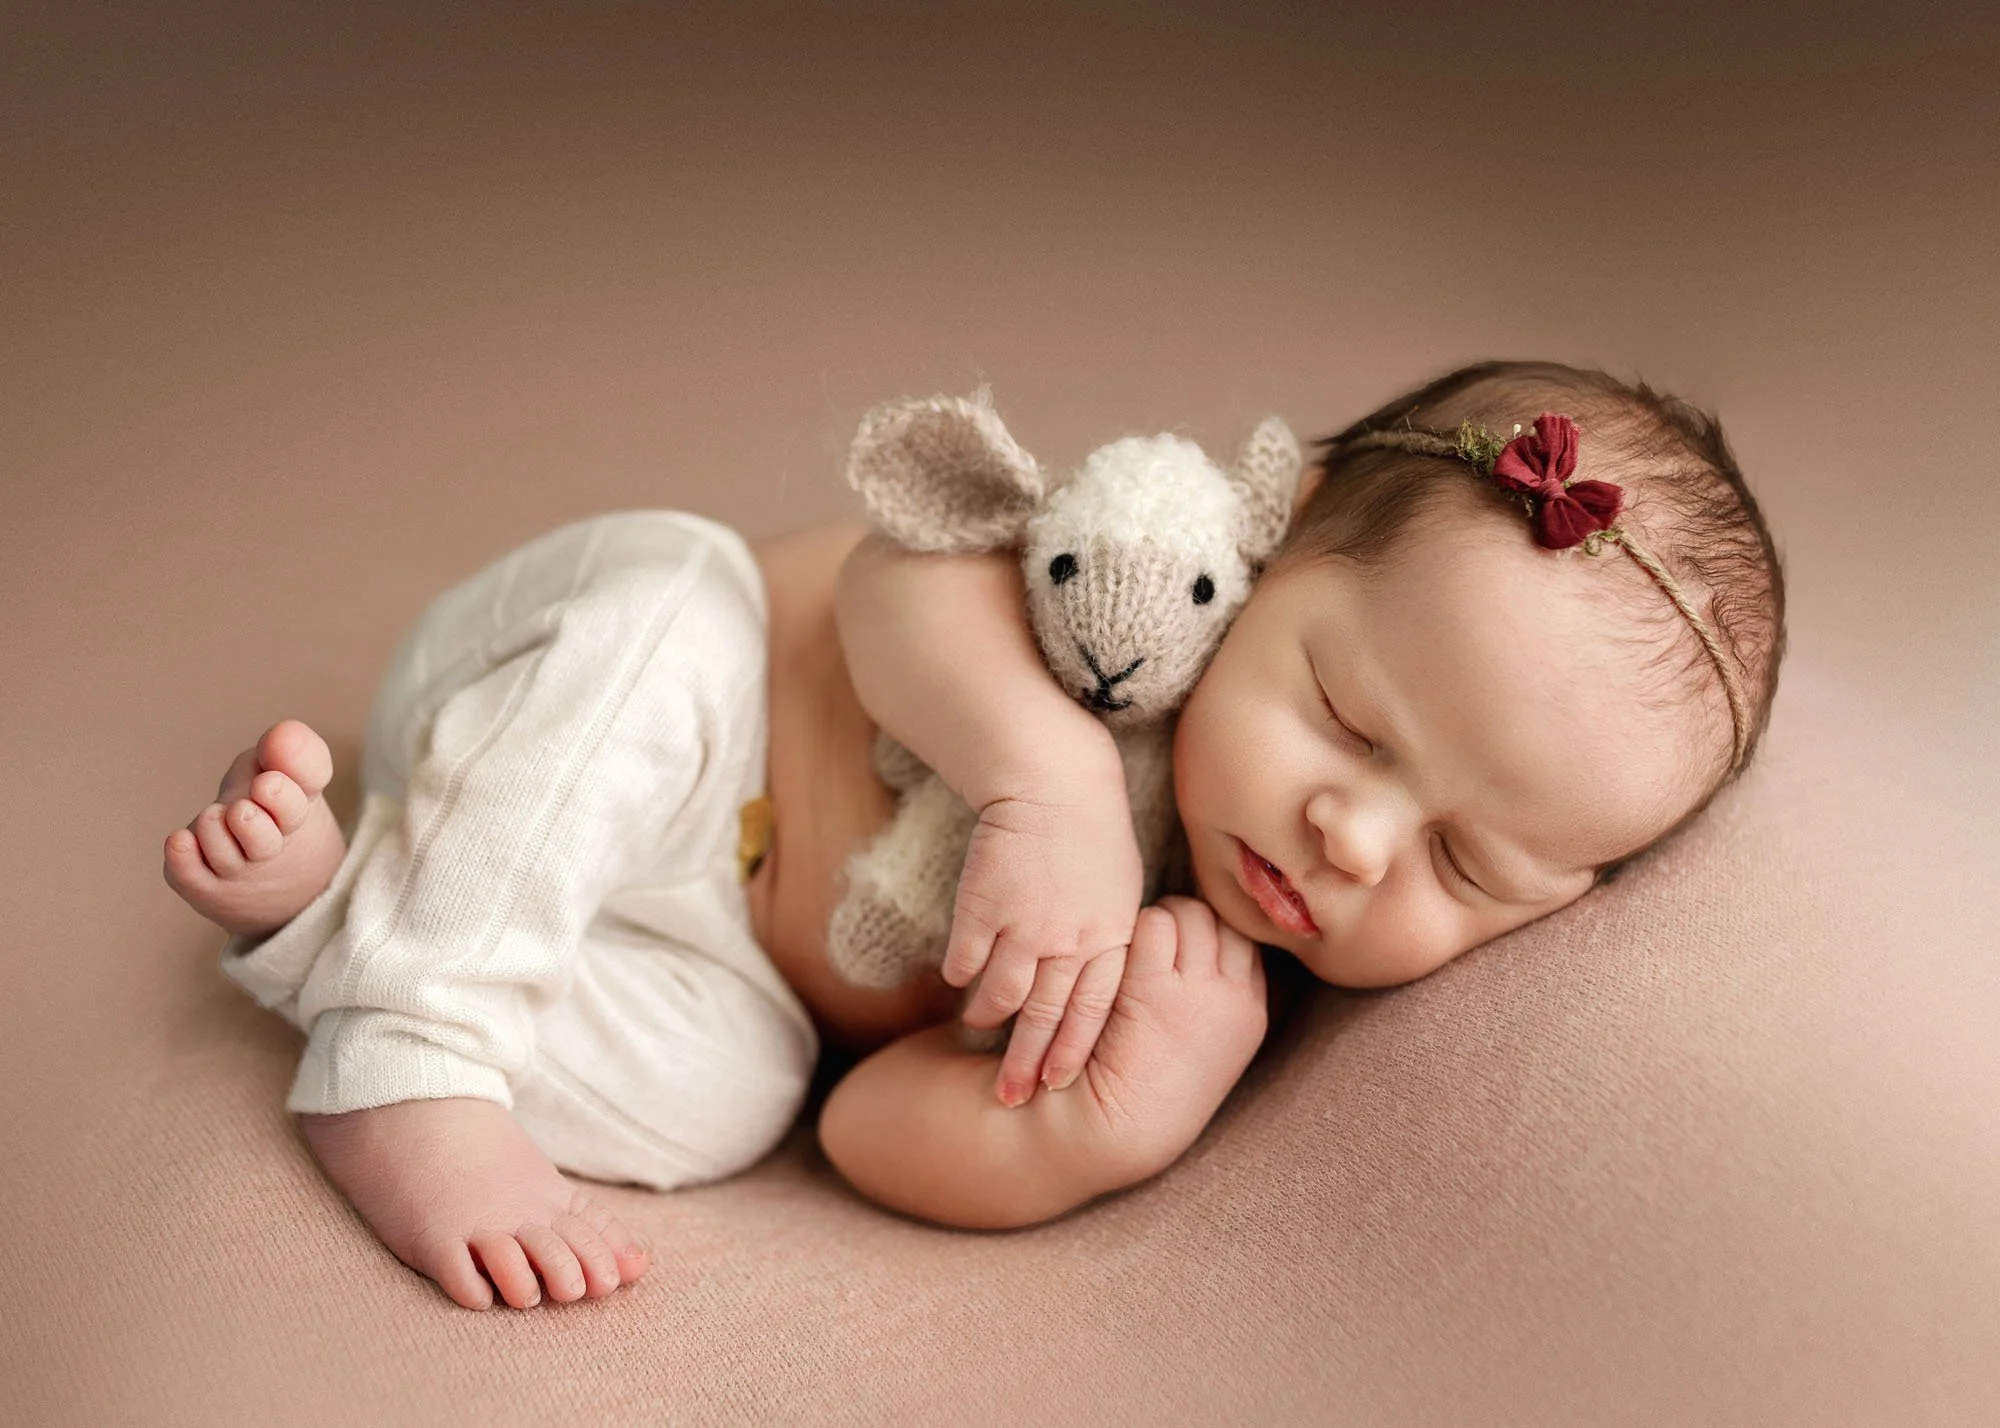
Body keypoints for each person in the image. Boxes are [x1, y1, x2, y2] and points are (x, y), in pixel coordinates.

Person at [161, 359, 1786, 1311]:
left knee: (732, 1100)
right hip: (604, 720)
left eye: (1467, 869)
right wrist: (1047, 782)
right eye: (1351, 722)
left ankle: (342, 920)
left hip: (710, 955)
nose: (1355, 839)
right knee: (669, 602)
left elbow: (865, 1127)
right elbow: (898, 576)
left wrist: (1093, 1132)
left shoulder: (1218, 969)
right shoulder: (1155, 599)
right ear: (1279, 540)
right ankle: (406, 1049)